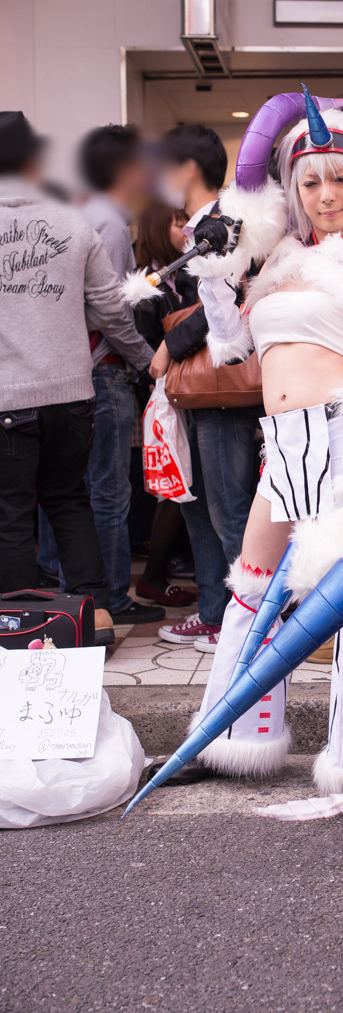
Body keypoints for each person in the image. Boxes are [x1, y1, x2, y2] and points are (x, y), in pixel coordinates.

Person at [131, 90, 343, 798]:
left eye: (340, 179)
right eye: (310, 181)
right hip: (285, 444)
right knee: (251, 588)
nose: (326, 195)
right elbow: (231, 346)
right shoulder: (280, 261)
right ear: (293, 189)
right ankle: (232, 740)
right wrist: (214, 276)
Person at [0, 111, 155, 645]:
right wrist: (145, 359)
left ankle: (23, 631)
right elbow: (111, 311)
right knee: (70, 501)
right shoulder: (74, 223)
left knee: (11, 514)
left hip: (7, 399)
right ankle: (96, 618)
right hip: (72, 394)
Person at [144, 125, 263, 652]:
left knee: (229, 508)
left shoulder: (224, 223)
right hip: (205, 390)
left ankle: (250, 621)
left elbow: (232, 299)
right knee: (203, 505)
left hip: (224, 389)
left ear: (186, 169)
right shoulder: (204, 224)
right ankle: (218, 613)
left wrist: (170, 345)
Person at [78, 124, 166, 627]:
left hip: (77, 372)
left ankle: (70, 590)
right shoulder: (109, 224)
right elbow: (110, 312)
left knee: (72, 491)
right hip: (104, 372)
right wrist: (146, 357)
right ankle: (111, 595)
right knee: (109, 491)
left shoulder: (79, 215)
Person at [130, 201, 197, 609]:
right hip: (163, 397)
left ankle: (160, 572)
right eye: (177, 222)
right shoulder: (147, 285)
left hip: (179, 393)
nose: (186, 229)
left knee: (179, 484)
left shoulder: (177, 277)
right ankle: (153, 576)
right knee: (174, 486)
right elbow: (146, 350)